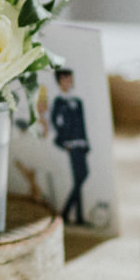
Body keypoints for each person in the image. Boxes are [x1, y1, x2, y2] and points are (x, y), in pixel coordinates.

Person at [50, 68, 91, 224]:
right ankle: (68, 213)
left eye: (69, 79)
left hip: (81, 143)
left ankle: (74, 215)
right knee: (80, 177)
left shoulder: (77, 101)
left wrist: (86, 143)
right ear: (59, 81)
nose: (68, 82)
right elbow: (55, 122)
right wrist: (64, 140)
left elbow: (83, 124)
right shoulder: (59, 102)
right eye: (64, 79)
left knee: (80, 178)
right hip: (71, 144)